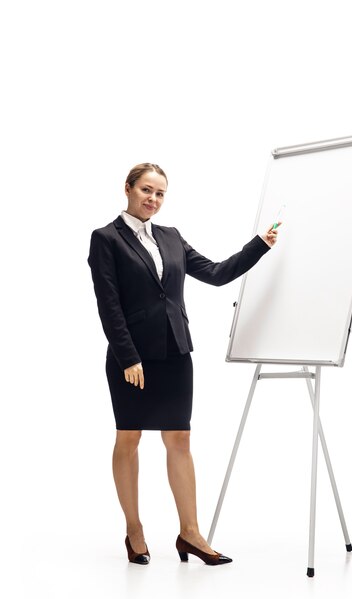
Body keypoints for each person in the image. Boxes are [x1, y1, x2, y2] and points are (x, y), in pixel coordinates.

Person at [88, 163, 280, 566]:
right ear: (127, 188)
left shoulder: (172, 238)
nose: (152, 199)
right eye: (146, 190)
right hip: (132, 358)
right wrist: (128, 356)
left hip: (176, 352)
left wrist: (258, 245)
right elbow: (109, 304)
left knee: (180, 440)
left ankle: (190, 533)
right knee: (129, 438)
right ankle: (134, 530)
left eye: (159, 193)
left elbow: (214, 273)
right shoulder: (106, 238)